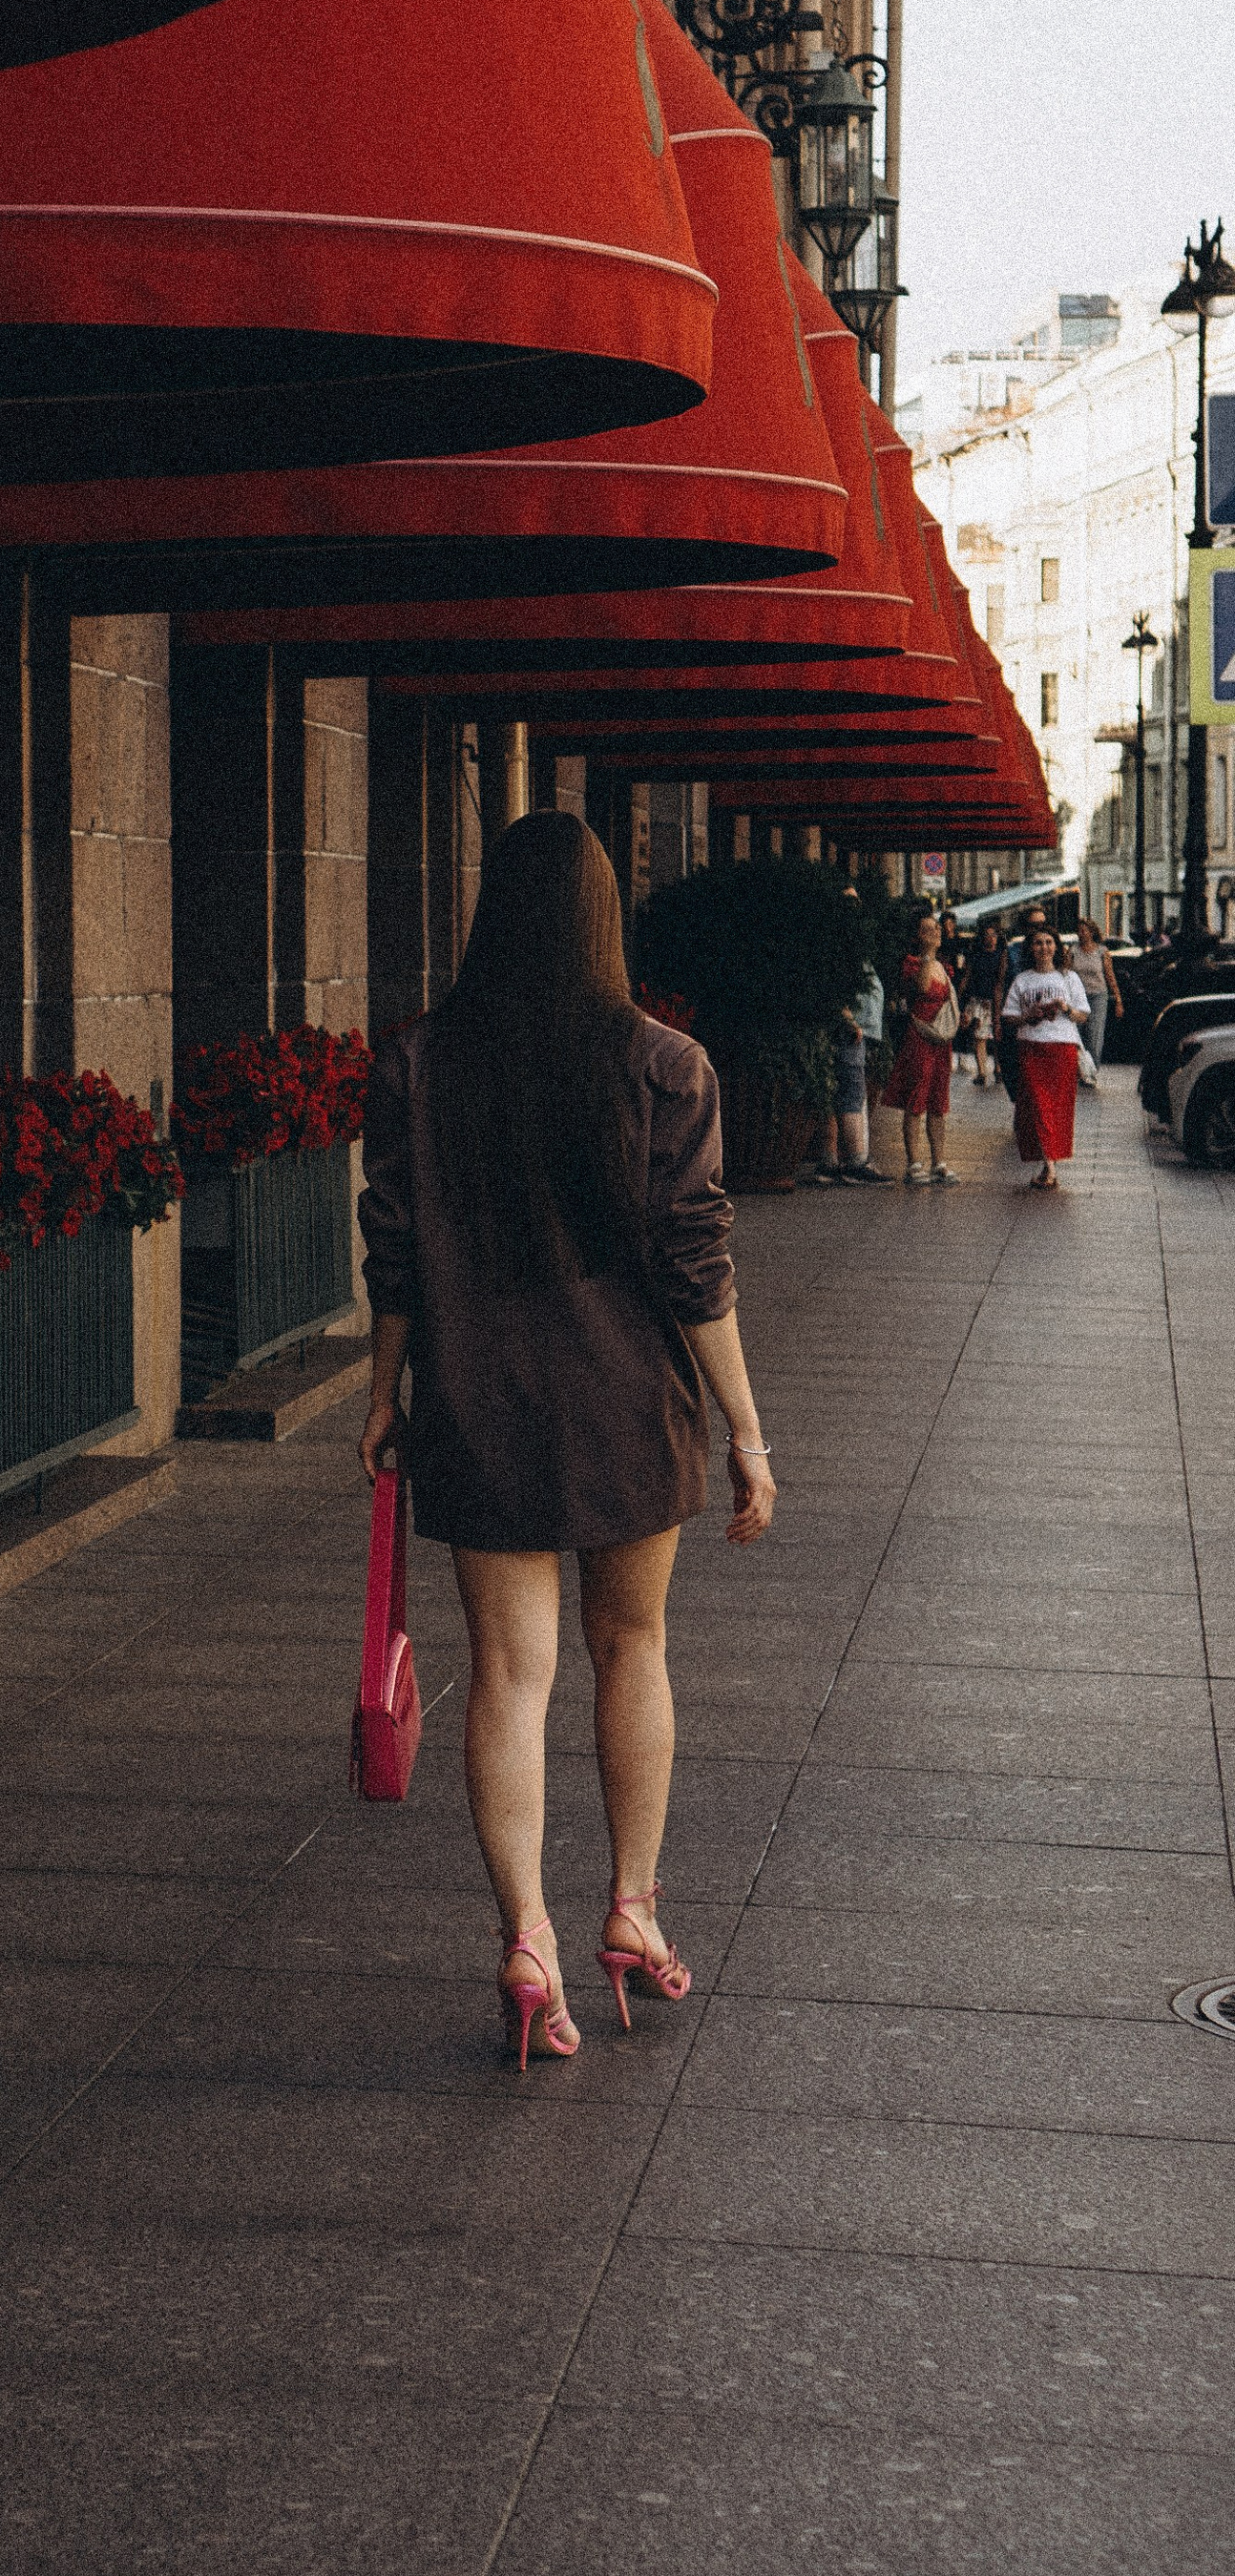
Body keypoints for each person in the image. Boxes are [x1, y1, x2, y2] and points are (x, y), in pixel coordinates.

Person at [356, 813, 776, 2075]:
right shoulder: (665, 1064)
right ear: (605, 916)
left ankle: (526, 1937)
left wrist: (384, 1397)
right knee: (632, 1646)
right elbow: (695, 1268)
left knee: (508, 1677)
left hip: (476, 1397)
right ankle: (631, 1908)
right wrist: (749, 1431)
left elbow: (393, 1251)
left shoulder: (423, 1062)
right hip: (626, 1402)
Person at [1001, 921, 1089, 1189]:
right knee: (1037, 1106)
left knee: (1057, 1108)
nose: (1044, 948)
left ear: (1057, 947)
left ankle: (1048, 1165)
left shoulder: (1068, 978)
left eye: (1049, 942)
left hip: (1062, 1047)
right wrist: (1027, 1016)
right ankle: (1049, 1165)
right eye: (1038, 943)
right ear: (1031, 948)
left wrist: (1064, 1008)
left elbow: (1083, 1015)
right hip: (1031, 1047)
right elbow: (1009, 1016)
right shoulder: (1022, 979)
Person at [813, 894, 890, 1180]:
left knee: (834, 1094)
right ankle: (856, 1163)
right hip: (848, 1030)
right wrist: (849, 1020)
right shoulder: (840, 944)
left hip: (850, 1028)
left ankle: (829, 1162)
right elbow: (834, 986)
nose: (858, 907)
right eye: (851, 903)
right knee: (851, 1094)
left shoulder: (839, 941)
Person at [885, 909, 960, 1181]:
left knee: (939, 1099)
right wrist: (928, 954)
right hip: (920, 1035)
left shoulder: (946, 966)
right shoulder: (914, 963)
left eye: (936, 928)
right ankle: (913, 1162)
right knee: (918, 1094)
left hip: (941, 1038)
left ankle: (938, 1161)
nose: (935, 933)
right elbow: (923, 988)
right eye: (927, 929)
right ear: (917, 936)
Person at [1068, 916, 1120, 1071]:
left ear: (1091, 932)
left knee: (1094, 1034)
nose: (1081, 934)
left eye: (1084, 931)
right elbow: (1067, 973)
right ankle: (1078, 1068)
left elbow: (1110, 976)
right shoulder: (1073, 950)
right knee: (1077, 1033)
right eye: (1079, 931)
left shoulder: (1102, 951)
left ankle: (1092, 1068)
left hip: (1098, 996)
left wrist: (1118, 999)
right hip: (1077, 997)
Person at [961, 923, 1008, 1089]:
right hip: (977, 998)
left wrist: (999, 1002)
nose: (991, 939)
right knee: (979, 1037)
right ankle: (982, 1072)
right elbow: (966, 976)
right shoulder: (974, 954)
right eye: (987, 935)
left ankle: (998, 1069)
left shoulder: (1002, 954)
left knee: (996, 1036)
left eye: (994, 935)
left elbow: (1001, 981)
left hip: (995, 999)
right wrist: (961, 999)